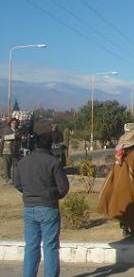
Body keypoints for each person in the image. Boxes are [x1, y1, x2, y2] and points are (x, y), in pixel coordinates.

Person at [14, 132, 70, 277]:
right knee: (50, 247)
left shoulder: (23, 162)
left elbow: (17, 184)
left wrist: (29, 194)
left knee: (31, 247)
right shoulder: (53, 162)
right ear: (50, 145)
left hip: (29, 207)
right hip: (48, 207)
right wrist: (52, 196)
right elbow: (63, 188)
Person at [97, 130, 134, 235]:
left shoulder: (121, 155)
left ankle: (125, 227)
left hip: (120, 187)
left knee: (124, 206)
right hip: (131, 188)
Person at [0, 118, 18, 183]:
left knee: (14, 166)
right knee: (6, 165)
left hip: (14, 150)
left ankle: (12, 179)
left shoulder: (17, 130)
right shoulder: (7, 129)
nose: (14, 124)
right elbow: (4, 137)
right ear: (10, 123)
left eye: (15, 123)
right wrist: (13, 136)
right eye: (13, 123)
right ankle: (7, 179)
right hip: (7, 150)